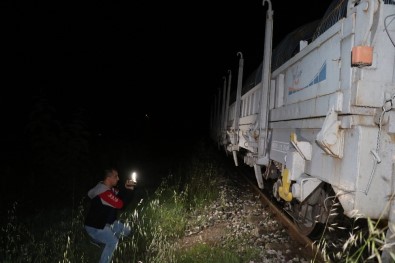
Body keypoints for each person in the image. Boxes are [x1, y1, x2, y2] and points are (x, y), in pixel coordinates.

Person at [84, 168, 137, 263]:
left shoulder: (106, 187)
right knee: (113, 241)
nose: (118, 178)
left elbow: (118, 197)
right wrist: (130, 191)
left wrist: (126, 188)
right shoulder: (104, 192)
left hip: (108, 222)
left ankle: (104, 238)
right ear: (108, 178)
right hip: (96, 226)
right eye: (115, 176)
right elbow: (121, 205)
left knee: (127, 231)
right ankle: (98, 242)